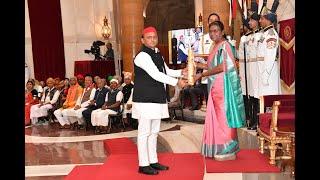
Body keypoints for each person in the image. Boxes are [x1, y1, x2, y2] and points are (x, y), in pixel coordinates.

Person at [132, 26, 188, 175]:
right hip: (145, 99)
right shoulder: (142, 56)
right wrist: (176, 82)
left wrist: (181, 72)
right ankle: (143, 164)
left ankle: (153, 161)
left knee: (155, 131)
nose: (152, 40)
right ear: (142, 40)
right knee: (144, 132)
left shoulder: (157, 53)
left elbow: (166, 71)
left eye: (154, 37)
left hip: (156, 97)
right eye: (149, 37)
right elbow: (155, 74)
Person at [194, 21, 246, 161]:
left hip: (223, 86)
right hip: (215, 85)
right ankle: (219, 146)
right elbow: (213, 65)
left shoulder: (225, 46)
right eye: (211, 31)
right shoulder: (215, 46)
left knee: (224, 115)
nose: (213, 34)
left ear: (222, 32)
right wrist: (199, 65)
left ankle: (228, 147)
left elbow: (223, 66)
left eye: (216, 31)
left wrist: (203, 74)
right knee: (217, 117)